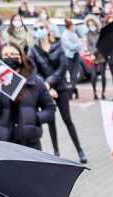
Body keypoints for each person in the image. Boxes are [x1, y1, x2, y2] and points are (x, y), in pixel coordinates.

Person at [29, 18, 87, 163]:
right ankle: (56, 152)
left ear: (47, 29)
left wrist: (49, 83)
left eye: (41, 27)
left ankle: (79, 150)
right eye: (35, 29)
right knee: (51, 121)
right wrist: (46, 88)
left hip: (60, 88)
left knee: (68, 120)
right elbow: (33, 71)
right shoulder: (33, 50)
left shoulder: (58, 46)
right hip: (45, 91)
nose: (38, 31)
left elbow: (62, 68)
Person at [0, 44, 56, 151]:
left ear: (21, 58)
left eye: (13, 54)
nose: (10, 58)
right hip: (5, 142)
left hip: (30, 142)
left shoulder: (35, 82)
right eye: (6, 55)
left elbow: (50, 108)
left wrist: (35, 118)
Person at [60, 19, 83, 98]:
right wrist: (77, 46)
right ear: (70, 26)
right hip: (69, 56)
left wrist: (76, 46)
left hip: (76, 55)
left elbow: (80, 44)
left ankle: (72, 89)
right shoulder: (65, 35)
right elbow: (70, 46)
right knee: (71, 74)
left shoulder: (74, 34)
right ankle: (72, 90)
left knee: (75, 74)